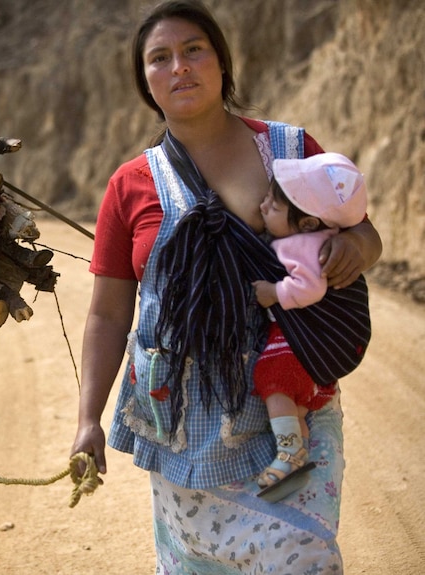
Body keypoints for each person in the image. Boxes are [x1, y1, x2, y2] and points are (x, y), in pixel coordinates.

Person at [69, 0, 382, 572]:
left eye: (194, 50)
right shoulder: (130, 185)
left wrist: (353, 248)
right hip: (182, 428)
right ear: (146, 81)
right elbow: (109, 315)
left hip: (287, 416)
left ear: (221, 62)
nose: (179, 67)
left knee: (298, 555)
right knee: (203, 563)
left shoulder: (291, 153)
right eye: (159, 58)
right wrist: (88, 418)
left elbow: (363, 230)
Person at [251, 153, 368, 498]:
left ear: (305, 224)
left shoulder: (302, 247)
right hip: (313, 352)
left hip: (295, 345)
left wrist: (274, 293)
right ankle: (295, 453)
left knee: (272, 381)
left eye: (273, 204)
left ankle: (288, 452)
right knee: (293, 400)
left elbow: (310, 288)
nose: (263, 204)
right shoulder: (317, 238)